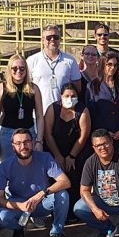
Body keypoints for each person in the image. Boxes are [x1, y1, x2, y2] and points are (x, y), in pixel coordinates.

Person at [0, 128, 72, 237]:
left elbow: (65, 181)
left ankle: (57, 233)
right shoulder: (5, 165)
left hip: (41, 203)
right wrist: (19, 205)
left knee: (63, 195)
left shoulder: (45, 157)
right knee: (0, 216)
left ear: (33, 143)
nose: (23, 146)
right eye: (18, 143)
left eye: (27, 142)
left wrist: (43, 193)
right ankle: (18, 228)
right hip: (20, 204)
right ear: (13, 147)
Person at [43, 82, 91, 215]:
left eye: (73, 96)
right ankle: (54, 211)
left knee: (74, 177)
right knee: (55, 179)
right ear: (61, 96)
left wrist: (71, 156)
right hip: (54, 149)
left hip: (76, 151)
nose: (70, 98)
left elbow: (83, 136)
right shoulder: (53, 109)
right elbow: (48, 134)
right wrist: (57, 156)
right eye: (67, 96)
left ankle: (75, 212)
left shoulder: (82, 110)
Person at [0, 54, 45, 155]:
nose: (18, 71)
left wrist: (39, 141)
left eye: (22, 68)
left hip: (28, 133)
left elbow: (39, 117)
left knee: (29, 167)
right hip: (7, 134)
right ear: (9, 70)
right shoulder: (1, 88)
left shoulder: (34, 89)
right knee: (8, 167)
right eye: (15, 68)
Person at [27, 24, 82, 107]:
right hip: (39, 112)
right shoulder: (32, 60)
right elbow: (27, 87)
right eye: (48, 38)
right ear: (42, 40)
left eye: (56, 37)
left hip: (63, 113)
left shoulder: (70, 61)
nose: (52, 40)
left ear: (60, 39)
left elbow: (77, 88)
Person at [86, 51, 119, 152]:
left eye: (115, 65)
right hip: (101, 136)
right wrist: (104, 131)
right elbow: (92, 113)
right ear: (102, 64)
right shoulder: (92, 86)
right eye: (109, 64)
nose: (113, 68)